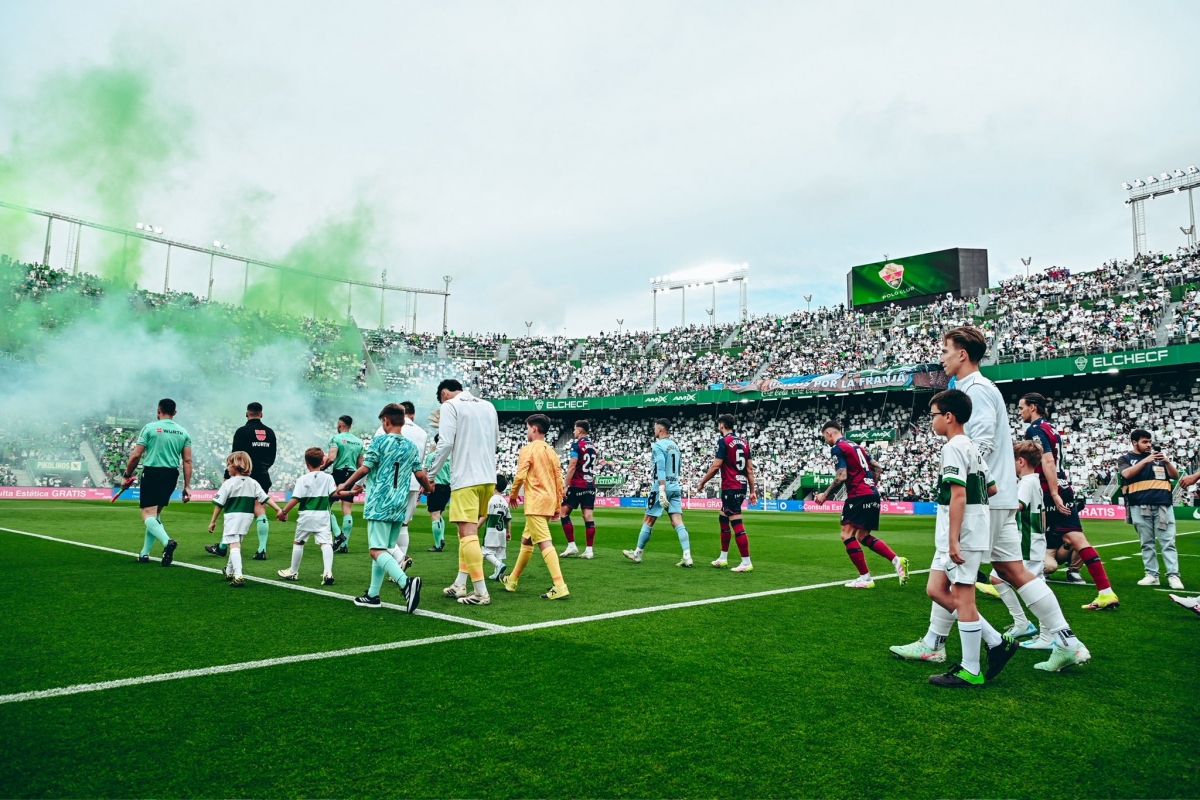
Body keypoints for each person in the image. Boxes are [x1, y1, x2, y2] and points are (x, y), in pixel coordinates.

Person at [914, 390, 1015, 688]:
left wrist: (956, 538)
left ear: (949, 416)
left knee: (963, 597)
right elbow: (991, 488)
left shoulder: (954, 447)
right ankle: (996, 641)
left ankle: (971, 668)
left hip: (961, 535)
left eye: (933, 415)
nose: (931, 421)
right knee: (935, 589)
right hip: (961, 532)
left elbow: (958, 494)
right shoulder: (969, 446)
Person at [1019, 392, 1119, 611]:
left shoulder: (1034, 429)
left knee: (1029, 531)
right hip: (1064, 485)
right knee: (1076, 538)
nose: (1020, 412)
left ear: (1033, 407)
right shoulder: (1051, 427)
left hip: (1048, 488)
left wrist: (1053, 493)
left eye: (1022, 407)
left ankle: (1008, 582)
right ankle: (1105, 591)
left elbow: (1047, 460)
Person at [335, 403, 432, 613]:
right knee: (384, 548)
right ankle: (372, 594)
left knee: (376, 550)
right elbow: (420, 474)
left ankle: (406, 583)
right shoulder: (410, 446)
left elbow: (365, 468)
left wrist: (346, 484)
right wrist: (428, 487)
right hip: (400, 503)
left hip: (380, 501)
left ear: (386, 421)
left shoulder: (380, 441)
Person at [427, 379, 501, 606]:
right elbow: (496, 442)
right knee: (466, 534)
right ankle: (460, 584)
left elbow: (446, 443)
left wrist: (430, 475)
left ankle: (480, 592)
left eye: (440, 399)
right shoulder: (488, 405)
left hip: (466, 478)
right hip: (488, 478)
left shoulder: (450, 406)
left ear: (445, 393)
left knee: (467, 534)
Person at [813, 420, 907, 589]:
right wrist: (872, 485)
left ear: (829, 433)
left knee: (846, 534)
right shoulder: (857, 446)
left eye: (824, 437)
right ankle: (896, 560)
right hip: (872, 493)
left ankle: (865, 578)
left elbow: (841, 476)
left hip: (858, 494)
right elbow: (877, 467)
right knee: (862, 536)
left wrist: (825, 495)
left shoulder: (838, 447)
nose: (825, 441)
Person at [502, 415, 570, 599]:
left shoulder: (528, 449)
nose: (526, 432)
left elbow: (520, 475)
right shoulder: (551, 451)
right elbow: (559, 480)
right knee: (527, 541)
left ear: (533, 428)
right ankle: (512, 580)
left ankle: (560, 584)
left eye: (527, 428)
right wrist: (557, 505)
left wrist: (513, 494)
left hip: (535, 503)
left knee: (544, 542)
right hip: (547, 501)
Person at [122, 398, 192, 567]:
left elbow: (136, 455)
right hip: (171, 475)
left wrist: (127, 475)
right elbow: (187, 461)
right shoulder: (183, 432)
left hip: (153, 472)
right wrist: (187, 486)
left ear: (158, 410)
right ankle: (144, 553)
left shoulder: (150, 428)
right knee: (156, 514)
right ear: (175, 412)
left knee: (147, 514)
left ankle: (168, 542)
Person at [205, 402, 277, 560]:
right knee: (260, 510)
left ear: (247, 413)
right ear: (261, 414)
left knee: (234, 511)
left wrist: (227, 474)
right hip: (263, 476)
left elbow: (235, 455)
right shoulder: (270, 433)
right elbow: (272, 457)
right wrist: (262, 468)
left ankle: (223, 547)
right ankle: (261, 550)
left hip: (243, 476)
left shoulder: (242, 431)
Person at [622, 419, 693, 568]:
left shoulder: (658, 446)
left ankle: (637, 554)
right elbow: (678, 468)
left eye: (655, 428)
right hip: (675, 486)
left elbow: (660, 468)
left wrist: (661, 490)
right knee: (677, 522)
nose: (654, 430)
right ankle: (687, 555)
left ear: (660, 429)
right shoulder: (675, 446)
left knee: (648, 520)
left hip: (662, 486)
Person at [207, 452, 284, 588]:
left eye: (229, 465)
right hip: (247, 518)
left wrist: (213, 521)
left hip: (233, 517)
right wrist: (278, 509)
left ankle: (238, 575)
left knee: (234, 545)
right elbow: (265, 498)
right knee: (235, 542)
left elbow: (219, 504)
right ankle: (229, 571)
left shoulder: (228, 483)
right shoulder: (253, 482)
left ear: (236, 466)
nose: (227, 468)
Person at [1119, 429, 1183, 589]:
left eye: (1149, 442)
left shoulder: (1159, 459)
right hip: (1139, 505)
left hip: (1163, 504)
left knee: (1168, 542)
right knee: (1146, 543)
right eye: (1144, 442)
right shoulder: (1126, 458)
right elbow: (1126, 474)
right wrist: (1146, 460)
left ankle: (1173, 575)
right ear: (1135, 442)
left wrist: (1167, 461)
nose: (1149, 445)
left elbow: (1175, 476)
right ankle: (1152, 575)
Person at [698, 414, 760, 572]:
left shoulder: (724, 441)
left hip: (731, 486)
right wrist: (752, 491)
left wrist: (702, 482)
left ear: (722, 425)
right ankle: (723, 558)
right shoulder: (744, 443)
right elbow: (749, 469)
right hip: (742, 484)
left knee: (736, 522)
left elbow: (716, 466)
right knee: (723, 518)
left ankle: (746, 562)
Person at [275, 447, 339, 586]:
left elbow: (296, 498)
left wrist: (283, 512)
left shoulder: (302, 479)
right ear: (323, 461)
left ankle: (293, 571)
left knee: (299, 542)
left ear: (306, 463)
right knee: (326, 543)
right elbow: (334, 495)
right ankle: (328, 572)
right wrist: (350, 492)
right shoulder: (328, 477)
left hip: (306, 515)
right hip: (322, 515)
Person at [559, 419, 598, 559]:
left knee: (563, 513)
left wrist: (565, 486)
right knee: (588, 516)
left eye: (575, 429)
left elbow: (572, 466)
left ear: (580, 430)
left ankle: (572, 546)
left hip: (577, 484)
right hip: (590, 484)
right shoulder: (592, 446)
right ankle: (589, 550)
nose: (574, 432)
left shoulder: (577, 445)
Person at [324, 415, 364, 553]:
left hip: (338, 474)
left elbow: (331, 457)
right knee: (347, 511)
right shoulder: (359, 442)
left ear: (340, 425)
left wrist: (322, 468)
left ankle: (337, 534)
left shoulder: (335, 438)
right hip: (352, 475)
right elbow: (361, 464)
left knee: (325, 506)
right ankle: (345, 545)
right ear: (350, 426)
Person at [424, 429, 452, 552]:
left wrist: (424, 487)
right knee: (439, 514)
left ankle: (438, 544)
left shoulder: (431, 456)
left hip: (435, 486)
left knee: (434, 515)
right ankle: (441, 538)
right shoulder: (451, 456)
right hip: (448, 487)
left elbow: (425, 473)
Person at [482, 474, 512, 580]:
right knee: (499, 553)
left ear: (494, 485)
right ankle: (497, 574)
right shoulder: (504, 502)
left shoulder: (490, 500)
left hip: (491, 530)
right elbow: (508, 519)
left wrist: (476, 526)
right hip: (502, 531)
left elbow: (485, 516)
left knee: (485, 551)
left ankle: (499, 565)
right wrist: (509, 532)